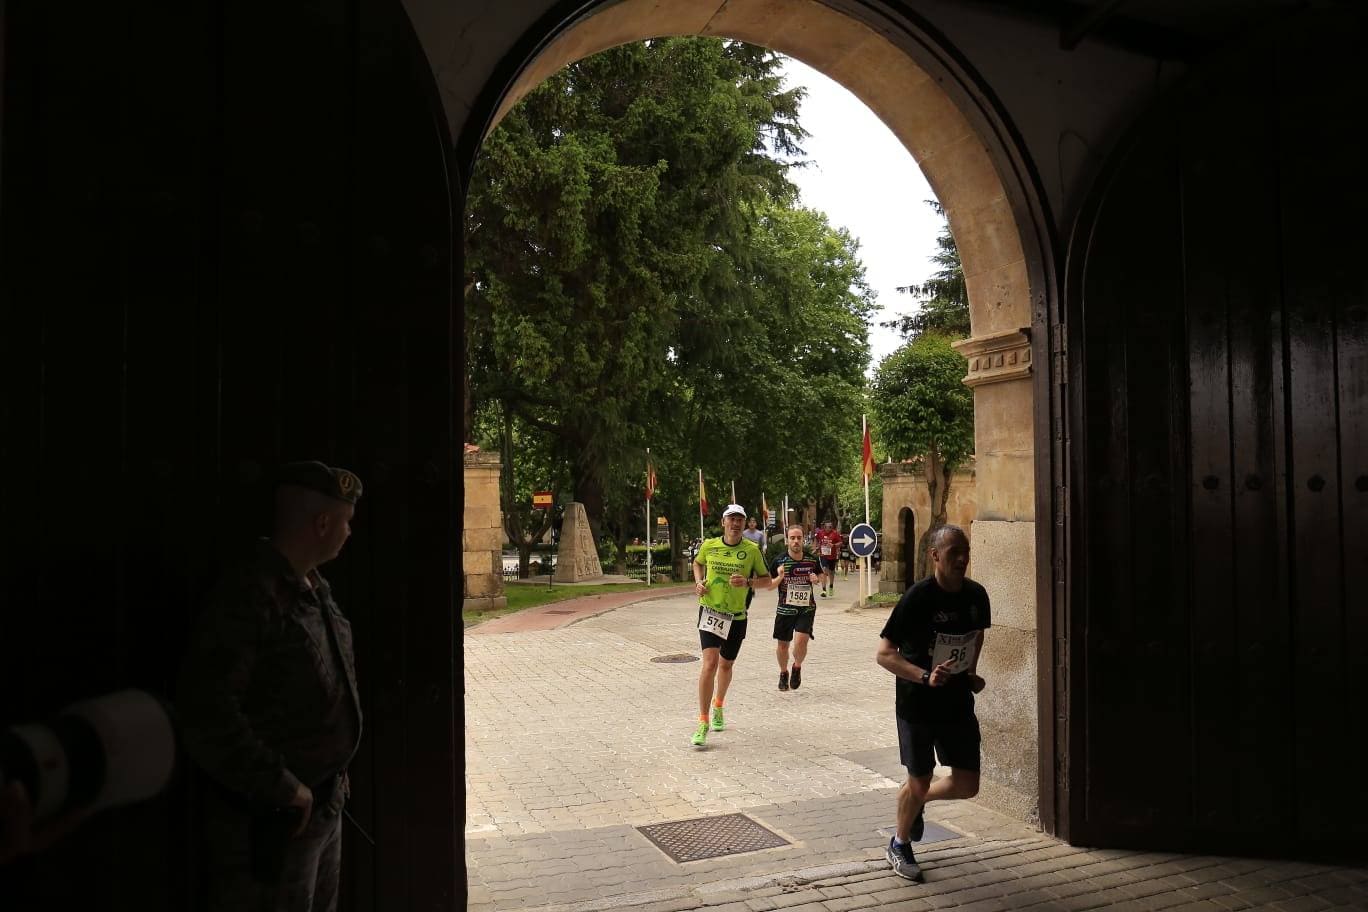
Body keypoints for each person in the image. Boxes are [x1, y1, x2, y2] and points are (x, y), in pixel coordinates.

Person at [178, 461, 364, 911]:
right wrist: (282, 786)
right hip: (274, 821)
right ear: (322, 523)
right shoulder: (251, 595)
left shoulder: (312, 586)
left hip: (323, 805)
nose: (349, 533)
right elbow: (208, 709)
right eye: (346, 522)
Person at [874, 524, 989, 882]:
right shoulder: (917, 598)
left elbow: (975, 635)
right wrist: (925, 676)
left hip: (956, 702)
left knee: (968, 784)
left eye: (965, 552)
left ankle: (916, 801)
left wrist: (970, 673)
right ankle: (899, 842)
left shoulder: (976, 595)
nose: (961, 558)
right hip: (917, 703)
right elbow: (884, 655)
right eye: (953, 552)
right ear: (934, 556)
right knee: (919, 780)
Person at [690, 504, 773, 747]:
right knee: (710, 664)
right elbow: (697, 563)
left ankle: (718, 705)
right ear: (723, 522)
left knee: (726, 664)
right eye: (731, 519)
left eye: (740, 520)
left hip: (736, 616)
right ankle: (702, 721)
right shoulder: (709, 545)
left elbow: (766, 580)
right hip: (710, 610)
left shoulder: (752, 550)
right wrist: (698, 583)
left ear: (745, 523)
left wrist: (748, 582)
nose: (736, 524)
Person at [769, 524, 825, 691]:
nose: (795, 541)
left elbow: (822, 576)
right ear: (787, 540)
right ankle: (783, 672)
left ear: (803, 539)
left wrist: (817, 580)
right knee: (783, 646)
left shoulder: (812, 560)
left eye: (799, 538)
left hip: (806, 608)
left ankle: (797, 667)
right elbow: (769, 585)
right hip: (785, 609)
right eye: (792, 538)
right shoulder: (779, 561)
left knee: (801, 641)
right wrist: (780, 577)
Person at [813, 520, 843, 597]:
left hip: (832, 556)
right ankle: (824, 590)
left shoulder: (835, 533)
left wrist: (833, 545)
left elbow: (840, 543)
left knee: (831, 572)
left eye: (830, 527)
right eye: (827, 527)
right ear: (824, 527)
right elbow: (816, 539)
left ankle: (831, 586)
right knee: (824, 570)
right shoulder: (820, 533)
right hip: (823, 555)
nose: (829, 528)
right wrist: (816, 547)